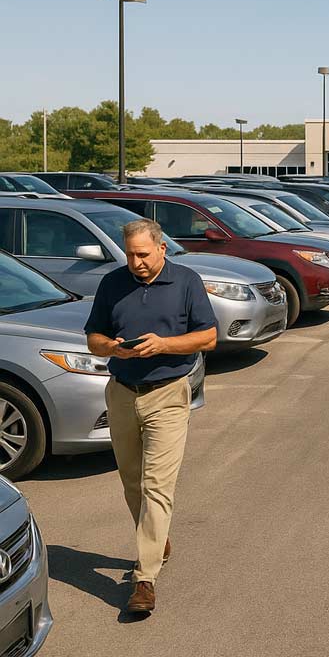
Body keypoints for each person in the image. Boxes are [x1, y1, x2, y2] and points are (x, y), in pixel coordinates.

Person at [84, 218, 217, 614]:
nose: (137, 262)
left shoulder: (186, 281)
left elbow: (208, 336)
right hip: (122, 393)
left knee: (157, 485)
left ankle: (145, 579)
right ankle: (157, 538)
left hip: (167, 395)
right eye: (130, 254)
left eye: (143, 254)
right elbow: (93, 339)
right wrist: (113, 347)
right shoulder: (112, 283)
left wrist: (164, 345)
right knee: (131, 483)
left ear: (161, 248)